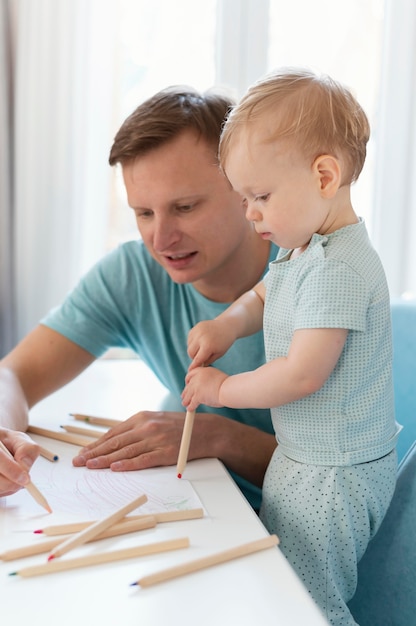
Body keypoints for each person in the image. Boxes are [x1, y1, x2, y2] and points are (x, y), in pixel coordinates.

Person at [181, 68, 401, 626]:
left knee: (309, 602)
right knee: (287, 581)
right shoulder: (307, 249)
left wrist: (224, 387)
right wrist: (227, 325)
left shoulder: (337, 269)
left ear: (324, 175)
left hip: (333, 472)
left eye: (260, 196)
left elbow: (303, 374)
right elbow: (263, 294)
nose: (250, 212)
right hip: (307, 456)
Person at [0, 86, 278, 510]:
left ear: (247, 191)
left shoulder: (318, 282)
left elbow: (347, 478)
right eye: (143, 213)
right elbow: (13, 376)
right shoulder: (133, 273)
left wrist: (217, 435)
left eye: (185, 207)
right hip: (206, 509)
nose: (161, 239)